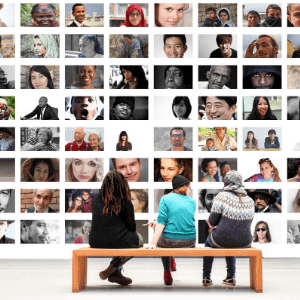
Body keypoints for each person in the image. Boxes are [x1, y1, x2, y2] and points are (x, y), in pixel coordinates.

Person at [90, 170, 143, 286]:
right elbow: (132, 227)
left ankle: (116, 274)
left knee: (119, 240)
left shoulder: (95, 200)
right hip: (117, 239)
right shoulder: (125, 201)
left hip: (95, 241)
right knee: (138, 240)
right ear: (123, 184)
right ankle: (114, 266)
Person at [202, 171, 254, 287]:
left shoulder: (222, 196)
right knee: (232, 239)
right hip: (245, 241)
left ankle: (206, 278)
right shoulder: (250, 200)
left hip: (222, 239)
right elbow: (247, 223)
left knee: (210, 243)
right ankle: (230, 277)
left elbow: (212, 221)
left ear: (226, 183)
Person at [148, 175, 196, 285]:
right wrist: (157, 224)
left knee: (162, 237)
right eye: (189, 187)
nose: (189, 189)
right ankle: (172, 261)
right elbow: (179, 220)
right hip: (190, 241)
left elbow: (162, 222)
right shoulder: (192, 202)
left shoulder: (165, 198)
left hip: (170, 241)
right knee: (165, 232)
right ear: (185, 187)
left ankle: (167, 272)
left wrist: (153, 243)